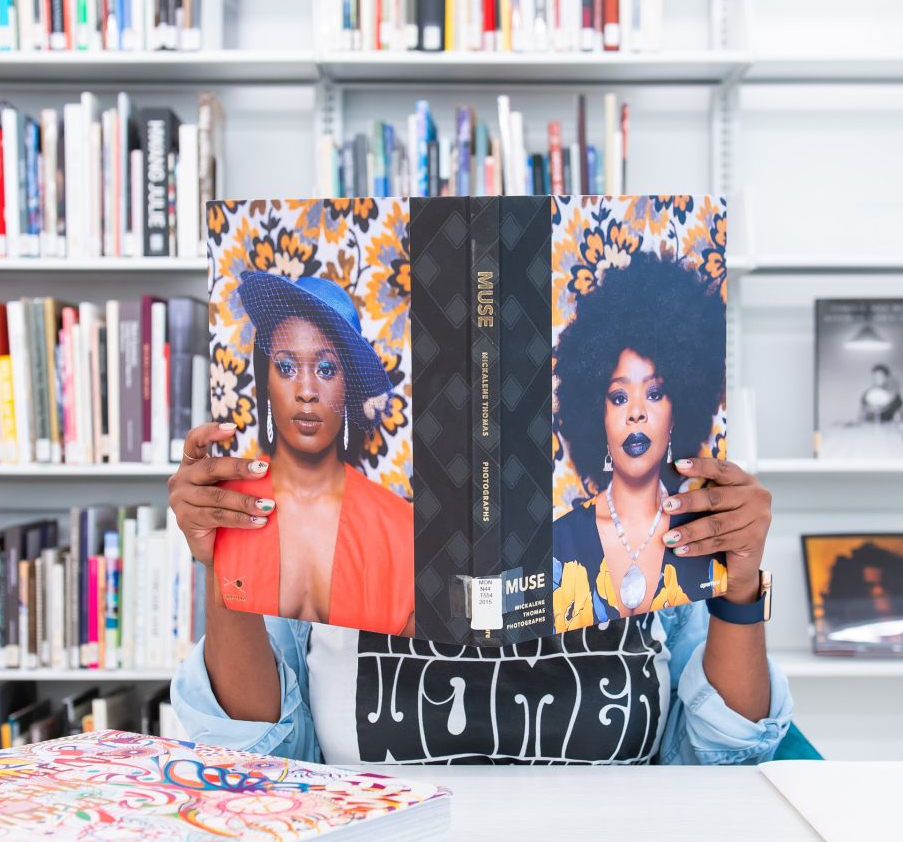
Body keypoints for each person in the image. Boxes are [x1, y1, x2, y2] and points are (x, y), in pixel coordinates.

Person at [170, 421, 791, 766]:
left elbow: (726, 757)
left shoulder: (642, 552)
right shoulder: (324, 553)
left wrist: (739, 582)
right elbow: (251, 756)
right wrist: (228, 553)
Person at [208, 270, 414, 637]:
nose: (306, 390)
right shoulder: (227, 508)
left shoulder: (400, 527)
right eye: (286, 367)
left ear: (348, 384)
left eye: (325, 369)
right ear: (266, 381)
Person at [551, 256, 726, 632]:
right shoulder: (557, 543)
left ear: (678, 411)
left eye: (655, 392)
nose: (636, 413)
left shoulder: (709, 541)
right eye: (618, 397)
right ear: (597, 416)